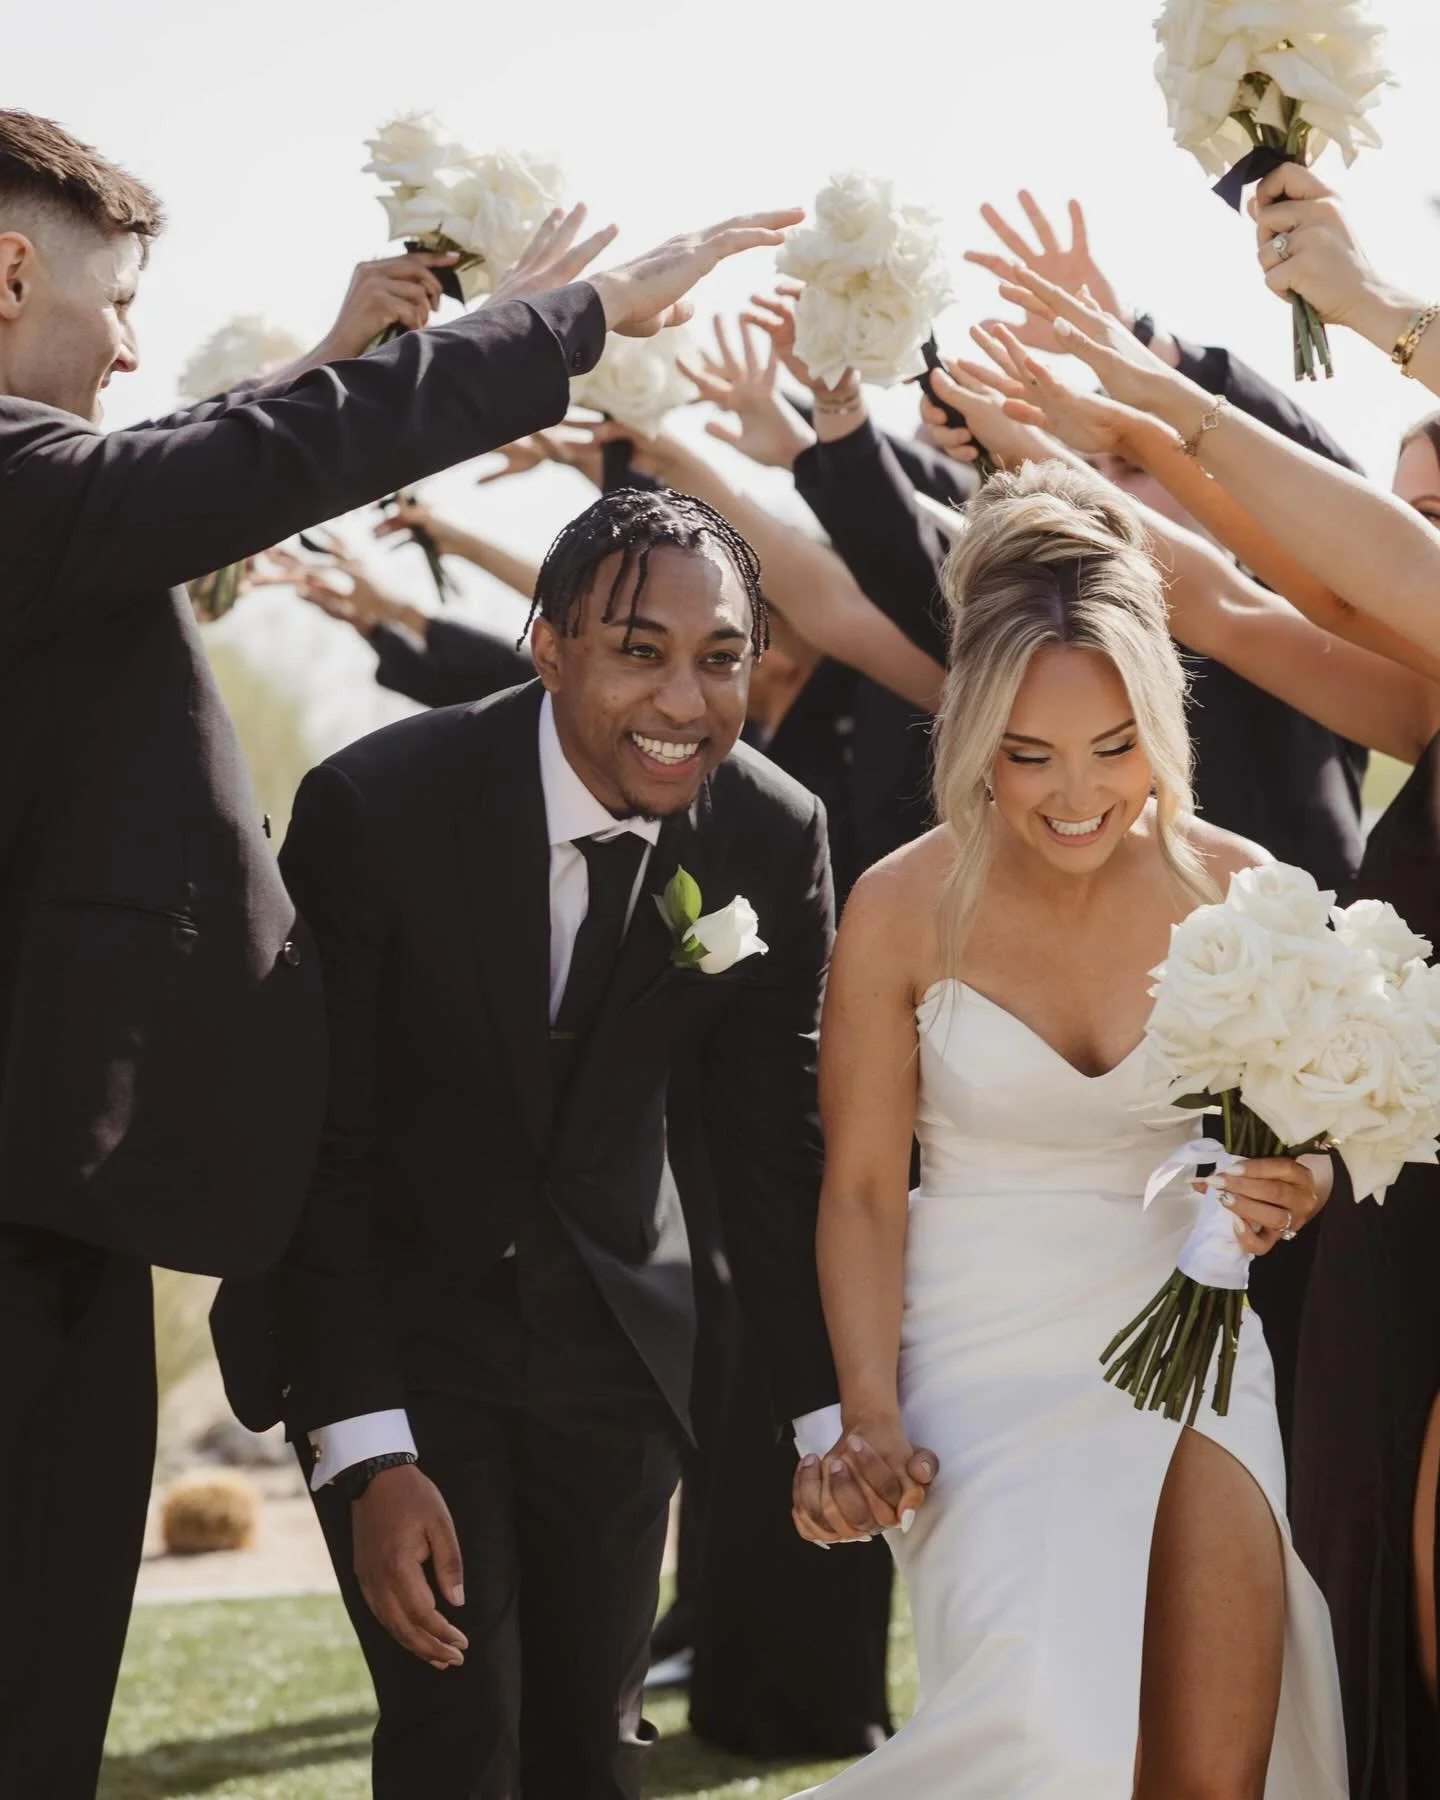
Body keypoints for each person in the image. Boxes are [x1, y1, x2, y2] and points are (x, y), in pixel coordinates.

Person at [0, 100, 801, 1797]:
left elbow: (164, 491)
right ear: (8, 276)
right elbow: (190, 484)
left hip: (56, 1210)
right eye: (113, 302)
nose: (130, 345)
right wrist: (572, 322)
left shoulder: (45, 508)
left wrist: (325, 365)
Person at [215, 486, 844, 1799]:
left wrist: (832, 1415)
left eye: (720, 658)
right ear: (547, 645)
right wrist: (368, 1448)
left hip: (619, 1349)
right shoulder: (379, 807)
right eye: (639, 652)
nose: (685, 701)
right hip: (404, 1331)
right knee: (460, 1741)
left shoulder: (771, 830)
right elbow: (322, 1150)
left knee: (591, 1750)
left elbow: (776, 1153)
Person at [788, 461, 1347, 1797]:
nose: (1077, 795)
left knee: (1213, 1770)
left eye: (1115, 747)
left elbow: (1317, 1142)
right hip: (976, 1359)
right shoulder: (899, 907)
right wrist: (868, 1416)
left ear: (1163, 719)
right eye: (1028, 755)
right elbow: (861, 1188)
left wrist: (1304, 1182)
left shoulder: (1248, 894)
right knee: (1046, 1744)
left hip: (1196, 1338)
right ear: (973, 736)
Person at [982, 234, 1440, 1800]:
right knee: (1371, 1566)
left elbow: (1356, 573)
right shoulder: (1423, 704)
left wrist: (1162, 397)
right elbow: (1235, 602)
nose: (1407, 537)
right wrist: (1072, 451)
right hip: (1401, 1207)